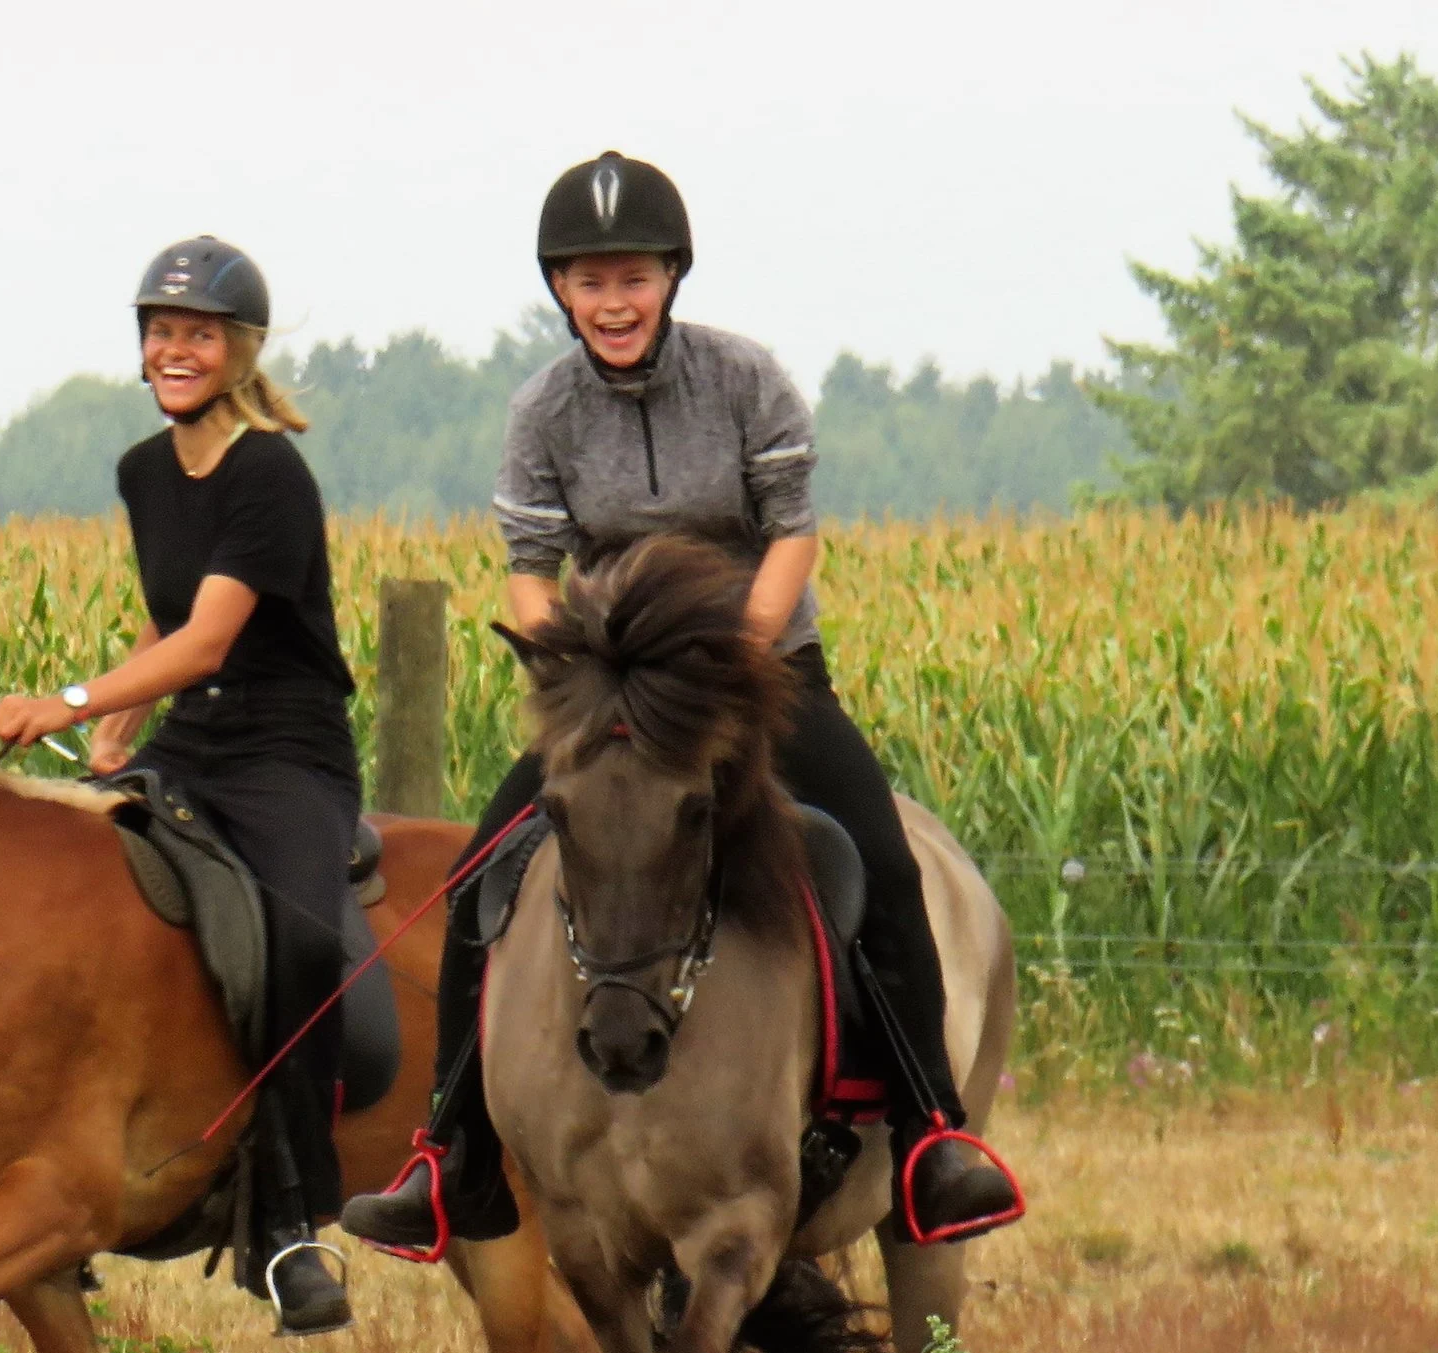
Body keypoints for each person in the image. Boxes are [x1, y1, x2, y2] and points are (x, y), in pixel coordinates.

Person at [343, 153, 1020, 1251]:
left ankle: (932, 1134)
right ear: (560, 291)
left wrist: (731, 664)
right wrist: (567, 661)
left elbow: (792, 533)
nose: (614, 302)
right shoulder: (542, 410)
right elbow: (531, 559)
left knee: (883, 860)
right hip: (612, 686)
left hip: (762, 677)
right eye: (590, 282)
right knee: (483, 876)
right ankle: (448, 1154)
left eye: (633, 279)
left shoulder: (746, 379)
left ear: (671, 278)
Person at [0, 236, 358, 1336]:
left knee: (298, 940)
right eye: (161, 331)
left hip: (286, 752)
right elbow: (171, 608)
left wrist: (73, 702)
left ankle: (291, 1224)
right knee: (66, 901)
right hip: (190, 742)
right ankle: (64, 1181)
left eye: (198, 333)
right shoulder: (144, 472)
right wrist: (124, 735)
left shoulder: (269, 473)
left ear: (240, 351)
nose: (175, 349)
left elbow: (210, 638)